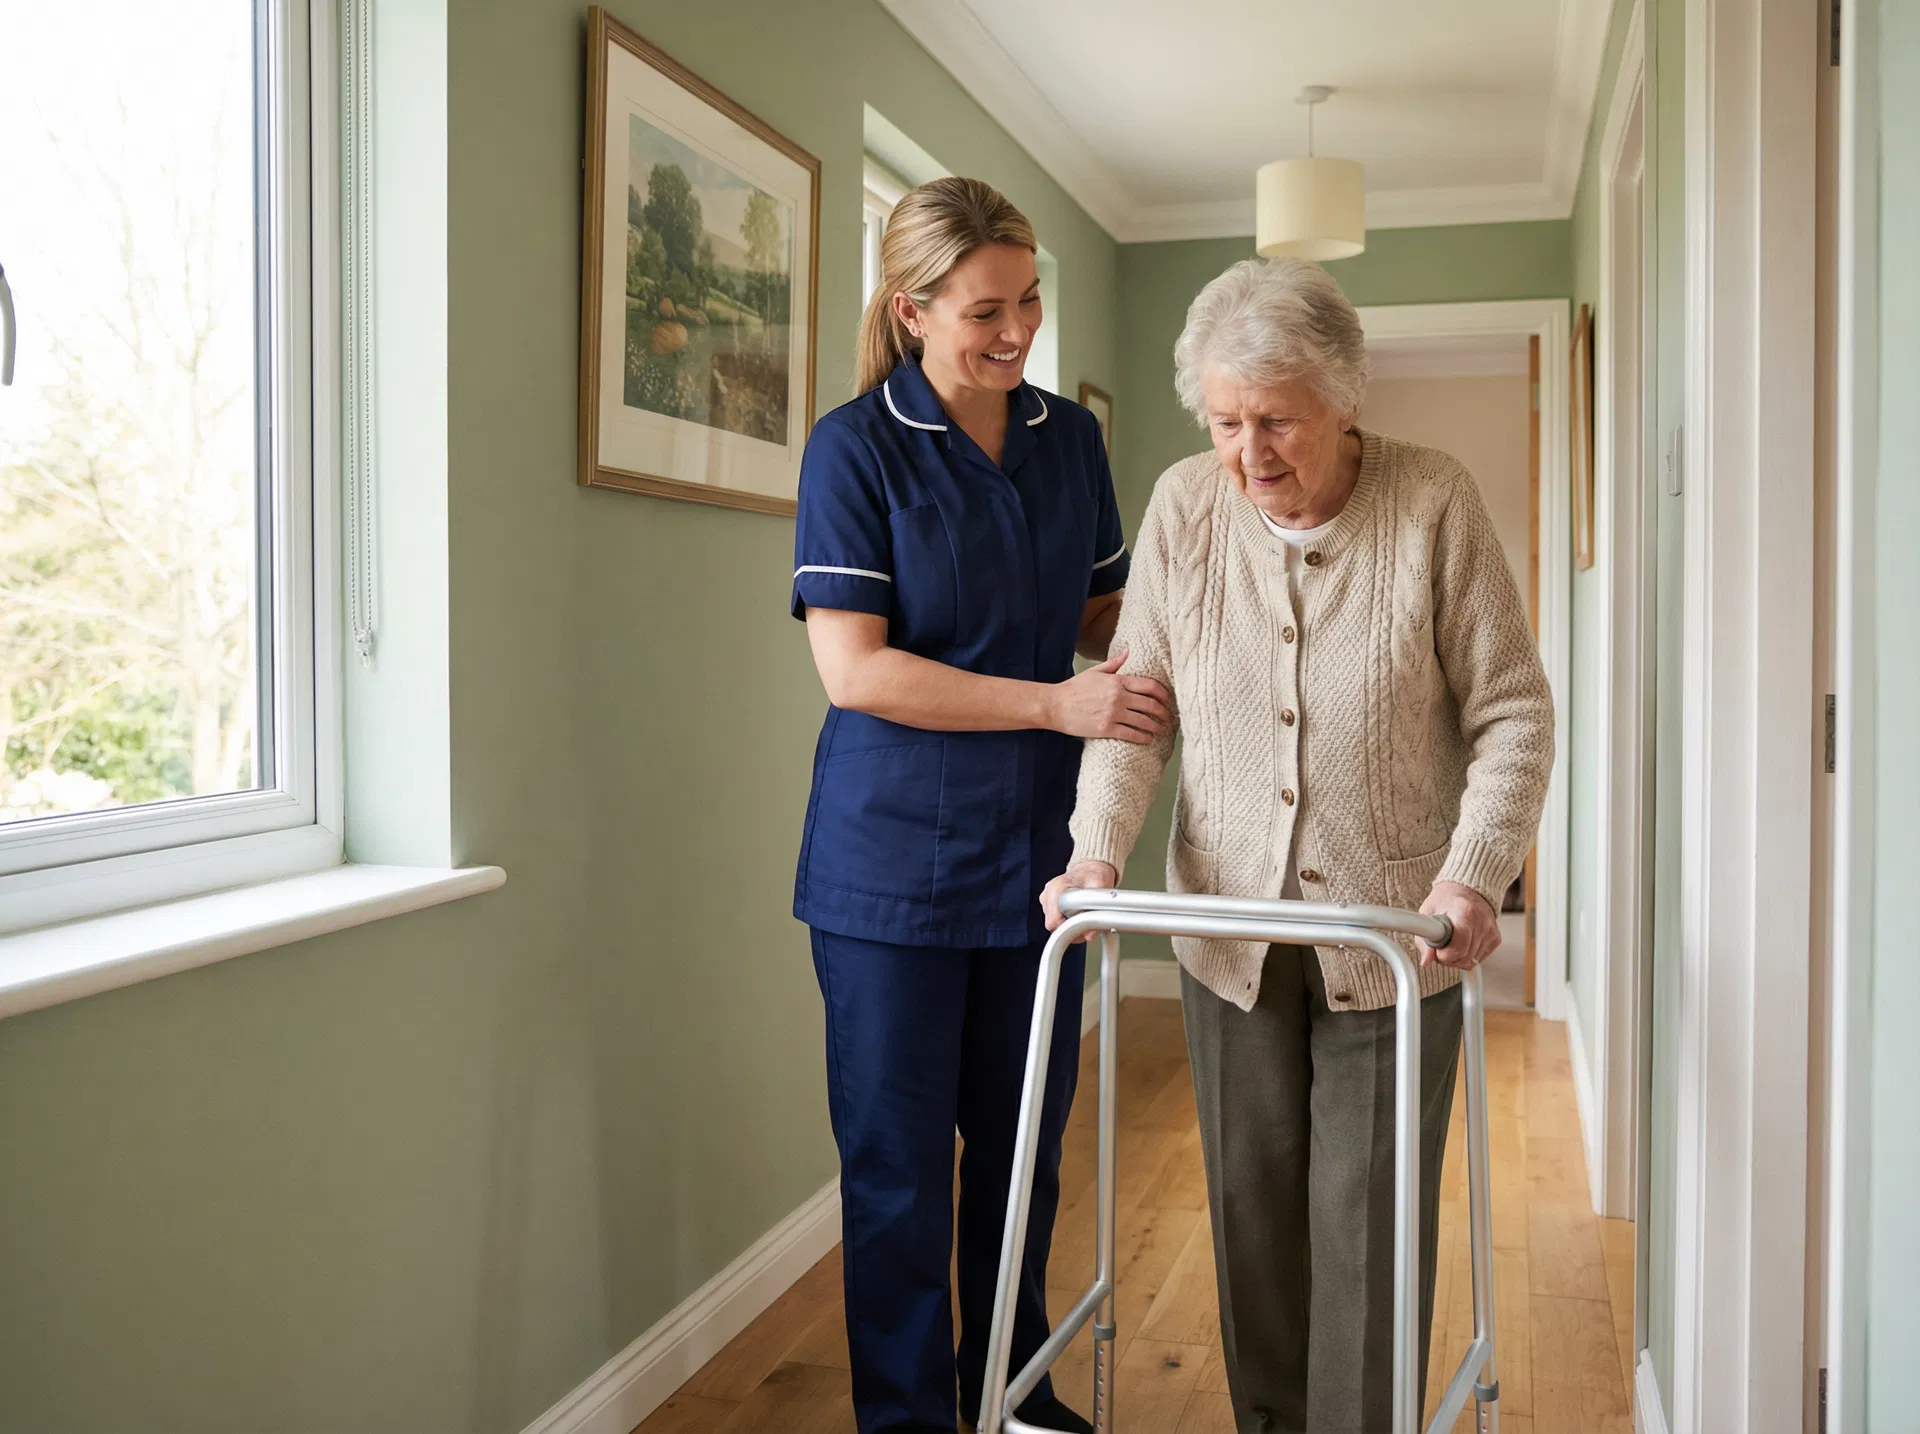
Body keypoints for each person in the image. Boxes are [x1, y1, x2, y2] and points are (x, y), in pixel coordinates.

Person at [1041, 257, 1554, 1433]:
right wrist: (1097, 853)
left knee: (1363, 1228)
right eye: (1227, 421)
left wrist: (1474, 872)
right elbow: (1139, 705)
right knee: (1253, 1217)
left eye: (1278, 420)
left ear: (1346, 400)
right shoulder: (1182, 507)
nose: (1250, 450)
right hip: (1229, 937)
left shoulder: (1433, 504)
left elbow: (1513, 710)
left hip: (1386, 942)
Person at [792, 176, 1170, 1434]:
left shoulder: (1069, 437)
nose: (1017, 333)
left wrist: (1188, 598)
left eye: (1030, 304)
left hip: (1034, 858)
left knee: (1023, 1159)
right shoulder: (857, 445)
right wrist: (1054, 705)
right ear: (912, 310)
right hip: (888, 867)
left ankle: (1012, 1393)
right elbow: (856, 671)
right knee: (899, 1176)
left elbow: (1099, 611)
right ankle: (908, 1421)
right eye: (985, 310)